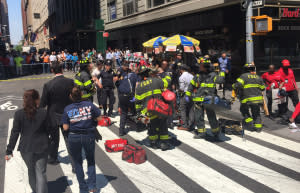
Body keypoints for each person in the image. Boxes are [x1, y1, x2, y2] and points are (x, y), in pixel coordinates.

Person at [6, 89, 49, 193]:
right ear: (36, 100)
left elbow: (15, 132)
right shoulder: (44, 113)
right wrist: (53, 144)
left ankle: (35, 190)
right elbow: (51, 129)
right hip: (41, 146)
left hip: (26, 148)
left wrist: (9, 150)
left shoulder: (19, 114)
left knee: (31, 170)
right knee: (41, 172)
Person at [62, 86, 101, 193]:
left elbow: (65, 127)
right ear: (81, 94)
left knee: (78, 162)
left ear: (70, 96)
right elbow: (99, 118)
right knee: (91, 160)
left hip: (74, 136)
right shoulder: (89, 105)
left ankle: (83, 189)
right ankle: (92, 186)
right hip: (88, 135)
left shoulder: (67, 108)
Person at [40, 61, 75, 169]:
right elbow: (75, 97)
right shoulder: (71, 82)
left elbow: (43, 104)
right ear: (62, 69)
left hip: (52, 116)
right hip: (68, 114)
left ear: (52, 70)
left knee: (54, 139)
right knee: (68, 139)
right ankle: (74, 165)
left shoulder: (48, 85)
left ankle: (53, 158)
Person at [186, 59, 225, 139]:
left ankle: (216, 131)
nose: (199, 67)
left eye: (200, 65)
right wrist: (188, 95)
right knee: (198, 117)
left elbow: (220, 80)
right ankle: (201, 133)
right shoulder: (198, 75)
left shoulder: (213, 75)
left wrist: (221, 72)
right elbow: (191, 85)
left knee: (211, 116)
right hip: (199, 100)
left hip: (209, 100)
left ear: (205, 66)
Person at [135, 66, 172, 151]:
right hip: (160, 109)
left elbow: (137, 102)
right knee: (162, 125)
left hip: (148, 111)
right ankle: (164, 143)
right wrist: (166, 73)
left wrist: (139, 113)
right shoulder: (156, 80)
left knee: (152, 126)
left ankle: (153, 143)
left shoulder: (139, 87)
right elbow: (167, 81)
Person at [233, 63, 265, 132]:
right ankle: (258, 128)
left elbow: (237, 85)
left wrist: (233, 86)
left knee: (244, 110)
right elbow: (263, 88)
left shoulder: (243, 76)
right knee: (256, 114)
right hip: (258, 100)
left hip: (247, 99)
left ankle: (250, 124)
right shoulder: (258, 77)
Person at [116, 62, 138, 136]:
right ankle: (137, 124)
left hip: (122, 96)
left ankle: (121, 131)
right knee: (135, 108)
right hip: (130, 97)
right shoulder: (135, 76)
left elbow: (117, 84)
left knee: (124, 113)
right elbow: (137, 87)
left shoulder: (124, 75)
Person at [177, 64, 194, 131]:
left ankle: (184, 125)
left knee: (182, 109)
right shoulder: (192, 76)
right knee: (191, 109)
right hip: (192, 94)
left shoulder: (182, 77)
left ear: (181, 70)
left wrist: (178, 90)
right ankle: (191, 125)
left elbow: (181, 88)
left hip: (185, 95)